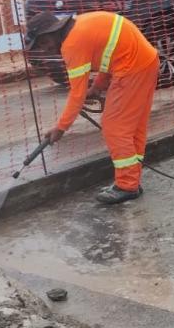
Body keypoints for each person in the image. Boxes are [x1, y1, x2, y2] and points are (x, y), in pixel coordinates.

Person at [25, 11, 159, 204]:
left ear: (52, 32)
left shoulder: (72, 44)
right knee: (132, 128)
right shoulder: (82, 24)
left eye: (43, 43)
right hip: (145, 62)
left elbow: (77, 94)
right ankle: (130, 180)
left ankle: (127, 185)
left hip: (132, 69)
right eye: (39, 47)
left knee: (114, 127)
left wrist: (61, 128)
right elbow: (111, 52)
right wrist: (97, 87)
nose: (45, 50)